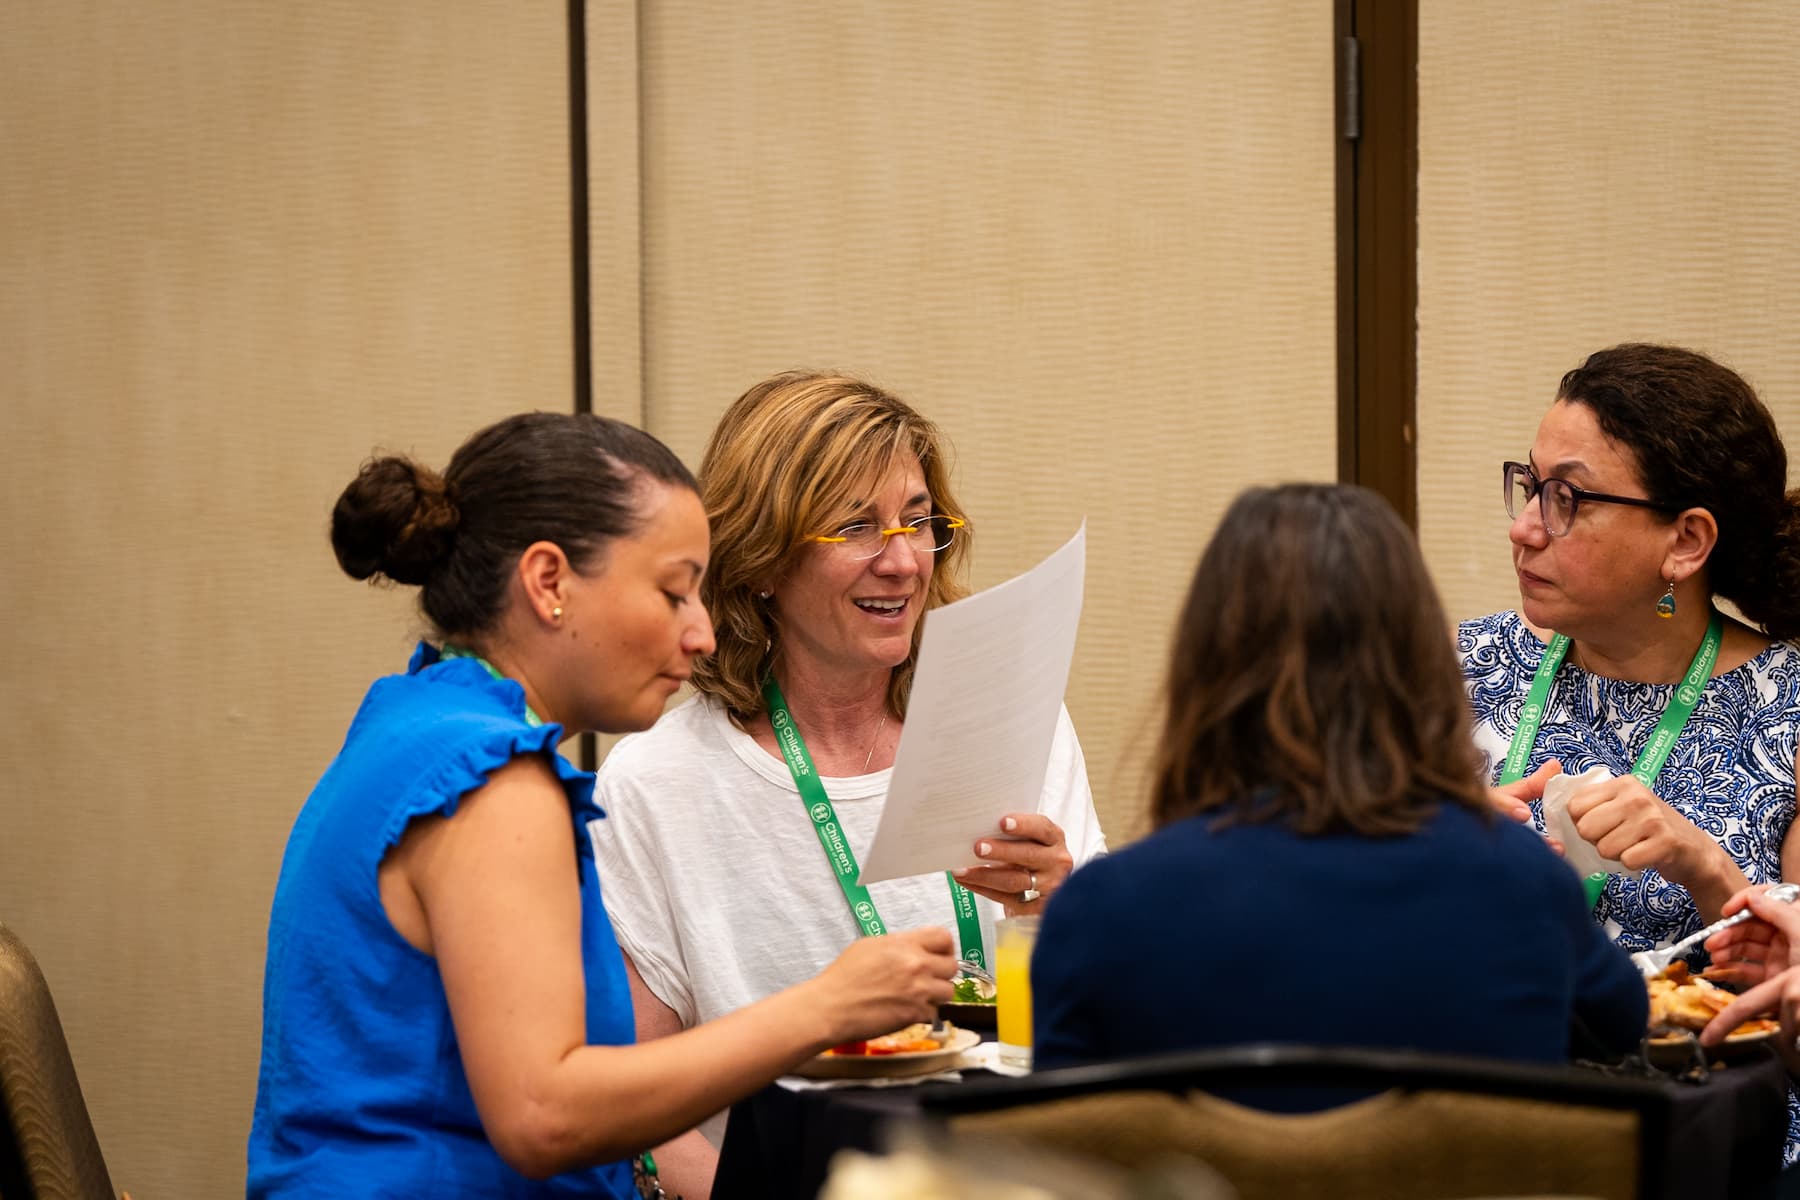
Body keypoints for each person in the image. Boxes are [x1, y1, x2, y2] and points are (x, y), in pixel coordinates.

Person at [246, 412, 958, 1199]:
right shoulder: (496, 783)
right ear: (549, 582)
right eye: (674, 592)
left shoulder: (414, 719)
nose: (702, 635)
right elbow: (543, 1115)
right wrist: (824, 1009)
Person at [590, 371, 1107, 1193]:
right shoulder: (660, 783)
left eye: (917, 521)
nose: (903, 561)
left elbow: (1097, 1037)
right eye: (855, 527)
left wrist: (1054, 915)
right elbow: (638, 1103)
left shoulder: (1017, 726)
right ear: (762, 560)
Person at [1031, 484, 1646, 1076]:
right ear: (1423, 663)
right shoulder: (1520, 882)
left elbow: (1058, 1140)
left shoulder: (1101, 913)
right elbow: (1623, 1031)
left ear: (1204, 669)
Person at [1460, 344, 1800, 956]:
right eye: (1532, 486)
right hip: (1480, 1045)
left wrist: (1704, 866)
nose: (1524, 528)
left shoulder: (1790, 709)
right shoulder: (1458, 672)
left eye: (1568, 498)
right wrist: (1417, 846)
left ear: (1687, 541)